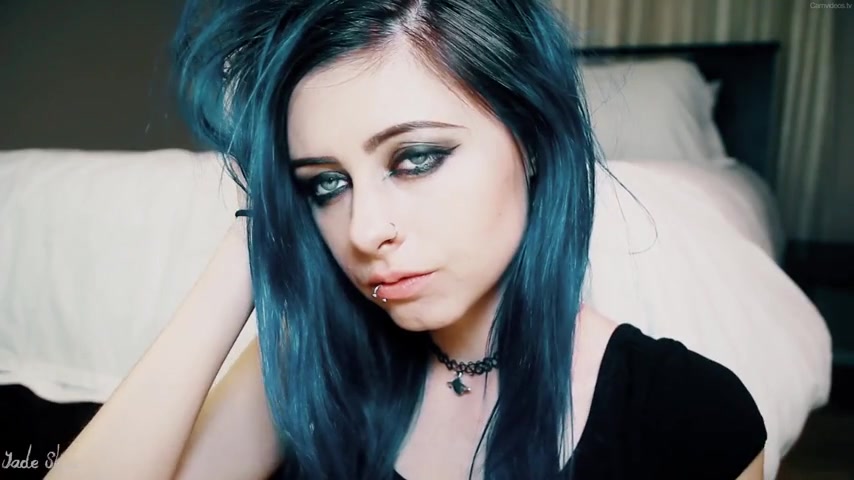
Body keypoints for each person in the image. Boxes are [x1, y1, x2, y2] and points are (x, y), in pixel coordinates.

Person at [47, 0, 766, 478]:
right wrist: (257, 242)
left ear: (532, 141)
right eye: (325, 184)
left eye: (416, 158)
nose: (364, 232)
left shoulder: (689, 415)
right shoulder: (307, 365)